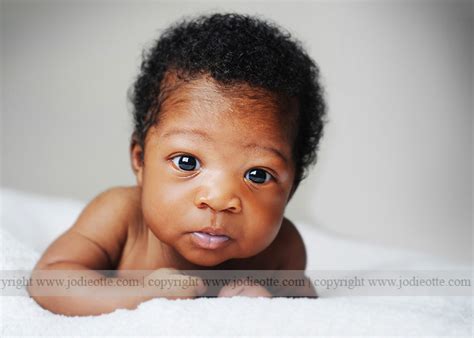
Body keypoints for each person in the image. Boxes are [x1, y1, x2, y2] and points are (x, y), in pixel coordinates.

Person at [28, 13, 326, 316]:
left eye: (258, 175)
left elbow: (303, 307)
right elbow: (50, 279)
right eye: (187, 162)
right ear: (140, 160)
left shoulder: (282, 250)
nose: (219, 199)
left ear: (291, 187)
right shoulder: (120, 216)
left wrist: (267, 301)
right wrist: (139, 294)